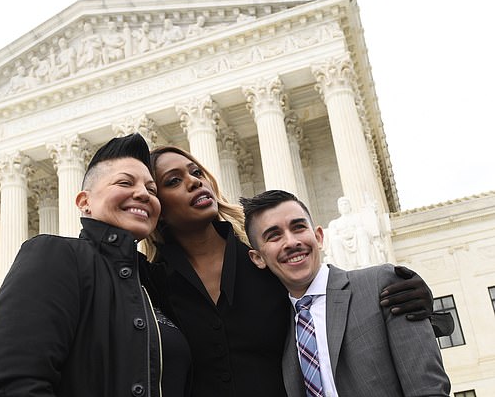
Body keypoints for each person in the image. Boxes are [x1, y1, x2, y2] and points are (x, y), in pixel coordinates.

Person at [142, 145, 445, 397]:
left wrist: (408, 294)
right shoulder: (152, 286)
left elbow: (333, 303)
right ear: (157, 204)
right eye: (173, 181)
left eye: (196, 172)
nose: (195, 182)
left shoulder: (264, 259)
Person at [0, 134, 191, 397]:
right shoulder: (56, 256)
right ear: (84, 202)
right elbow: (10, 383)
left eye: (152, 190)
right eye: (124, 182)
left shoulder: (153, 286)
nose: (143, 194)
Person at [241, 190, 450, 396]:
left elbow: (428, 389)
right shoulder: (271, 328)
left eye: (298, 228)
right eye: (274, 236)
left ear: (319, 237)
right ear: (258, 258)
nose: (291, 242)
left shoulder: (381, 285)